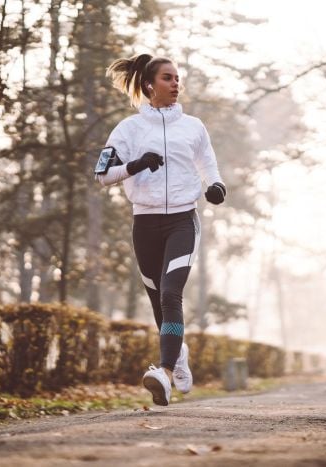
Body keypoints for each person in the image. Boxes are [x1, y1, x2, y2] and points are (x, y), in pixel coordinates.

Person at [96, 53, 226, 406]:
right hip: (145, 223)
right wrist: (136, 165)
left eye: (177, 77)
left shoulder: (194, 126)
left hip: (183, 220)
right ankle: (178, 353)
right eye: (168, 77)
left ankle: (164, 373)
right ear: (150, 85)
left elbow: (209, 167)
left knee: (171, 294)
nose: (175, 83)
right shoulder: (128, 129)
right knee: (158, 303)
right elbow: (102, 175)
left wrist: (216, 187)